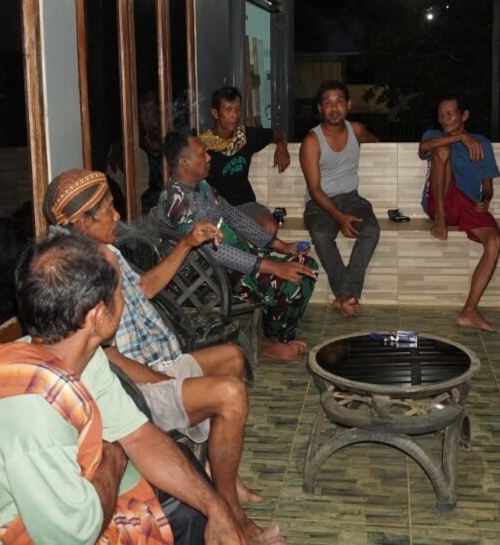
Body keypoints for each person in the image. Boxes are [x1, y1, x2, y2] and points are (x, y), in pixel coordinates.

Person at [0, 232, 247, 545]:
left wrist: (216, 507)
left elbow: (138, 435)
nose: (126, 297)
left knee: (190, 494)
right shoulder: (31, 412)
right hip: (10, 535)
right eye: (121, 290)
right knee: (178, 514)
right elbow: (76, 536)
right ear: (97, 315)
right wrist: (113, 452)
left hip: (53, 506)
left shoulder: (75, 355)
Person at [42, 168, 282, 543]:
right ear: (81, 222)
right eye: (108, 210)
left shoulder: (105, 251)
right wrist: (164, 381)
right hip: (136, 386)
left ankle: (222, 475)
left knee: (232, 358)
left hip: (157, 362)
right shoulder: (79, 274)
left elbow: (144, 288)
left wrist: (186, 243)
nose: (117, 215)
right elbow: (104, 355)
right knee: (231, 395)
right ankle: (231, 514)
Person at [159, 132, 318, 362]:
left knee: (307, 267)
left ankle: (273, 337)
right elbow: (212, 250)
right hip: (208, 274)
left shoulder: (201, 186)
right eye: (202, 153)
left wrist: (280, 246)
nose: (209, 157)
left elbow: (235, 217)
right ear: (184, 162)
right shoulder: (176, 199)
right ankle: (268, 344)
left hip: (233, 260)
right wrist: (272, 266)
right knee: (288, 281)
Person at [418, 94, 500, 332]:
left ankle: (469, 311)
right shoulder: (434, 136)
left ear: (464, 115)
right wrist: (461, 137)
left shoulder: (482, 143)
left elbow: (487, 186)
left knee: (495, 241)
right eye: (441, 114)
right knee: (442, 151)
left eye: (450, 113)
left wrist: (486, 199)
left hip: (468, 203)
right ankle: (441, 218)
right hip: (440, 202)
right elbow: (423, 149)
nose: (444, 118)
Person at [298, 79, 380, 317]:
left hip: (352, 199)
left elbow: (376, 143)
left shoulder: (357, 130)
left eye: (339, 102)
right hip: (320, 204)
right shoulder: (312, 141)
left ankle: (344, 295)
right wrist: (340, 217)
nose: (334, 108)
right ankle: (348, 294)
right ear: (320, 108)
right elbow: (315, 190)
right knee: (321, 234)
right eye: (328, 103)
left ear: (349, 105)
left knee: (371, 230)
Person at [199, 86, 290, 235]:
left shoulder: (245, 136)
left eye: (238, 109)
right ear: (215, 113)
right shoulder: (203, 146)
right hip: (216, 209)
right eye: (228, 110)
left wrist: (282, 145)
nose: (235, 115)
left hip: (245, 205)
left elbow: (277, 134)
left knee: (270, 228)